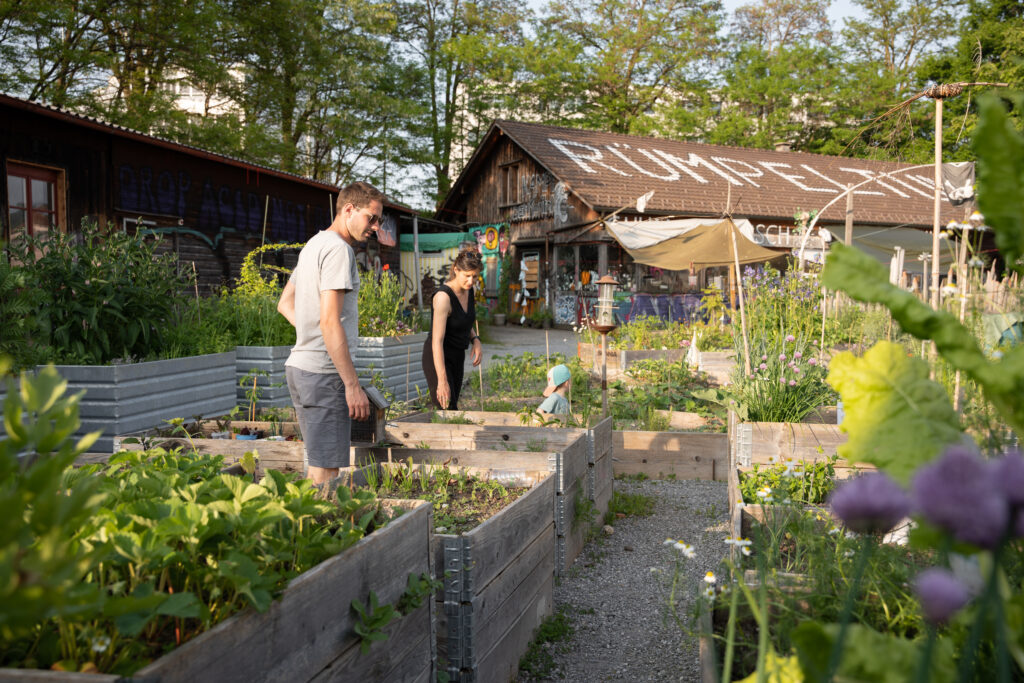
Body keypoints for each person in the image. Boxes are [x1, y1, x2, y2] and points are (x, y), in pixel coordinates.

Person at [277, 181, 384, 485]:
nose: (375, 227)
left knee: (317, 467)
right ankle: (312, 530)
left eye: (378, 220)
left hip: (300, 368)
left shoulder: (313, 245)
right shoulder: (339, 250)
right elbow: (329, 322)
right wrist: (352, 386)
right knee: (327, 476)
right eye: (370, 218)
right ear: (349, 209)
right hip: (325, 376)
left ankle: (302, 528)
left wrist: (313, 335)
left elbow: (285, 304)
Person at [422, 247, 483, 410]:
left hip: (457, 356)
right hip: (438, 356)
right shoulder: (443, 298)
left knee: (453, 406)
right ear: (456, 270)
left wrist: (475, 339)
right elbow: (437, 341)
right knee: (446, 408)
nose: (471, 281)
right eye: (467, 276)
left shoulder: (470, 291)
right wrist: (442, 381)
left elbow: (463, 320)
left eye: (475, 276)